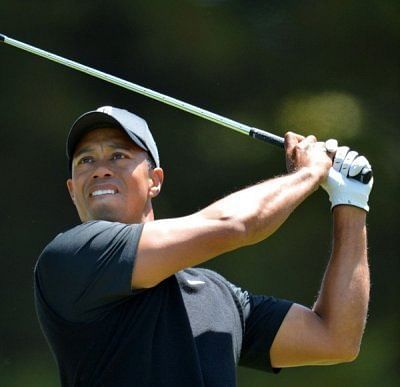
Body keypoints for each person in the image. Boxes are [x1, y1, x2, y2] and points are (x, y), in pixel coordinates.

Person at [33, 106, 373, 387]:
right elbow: (235, 225)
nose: (100, 170)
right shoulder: (71, 258)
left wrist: (350, 203)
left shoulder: (217, 294)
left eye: (118, 155)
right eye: (85, 161)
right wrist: (308, 174)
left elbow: (335, 338)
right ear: (71, 189)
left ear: (154, 181)